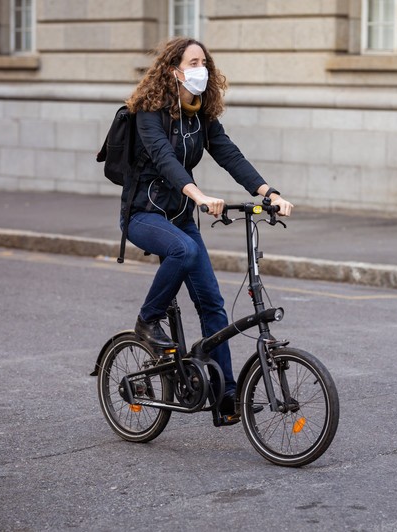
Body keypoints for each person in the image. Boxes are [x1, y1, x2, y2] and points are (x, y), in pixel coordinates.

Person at [123, 37, 293, 422]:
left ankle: (226, 395)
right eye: (194, 62)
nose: (202, 68)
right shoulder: (149, 113)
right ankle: (148, 320)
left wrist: (268, 192)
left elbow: (229, 153)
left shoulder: (200, 115)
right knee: (183, 250)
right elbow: (164, 159)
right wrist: (198, 194)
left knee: (213, 305)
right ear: (174, 70)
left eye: (205, 62)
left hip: (181, 216)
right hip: (143, 215)